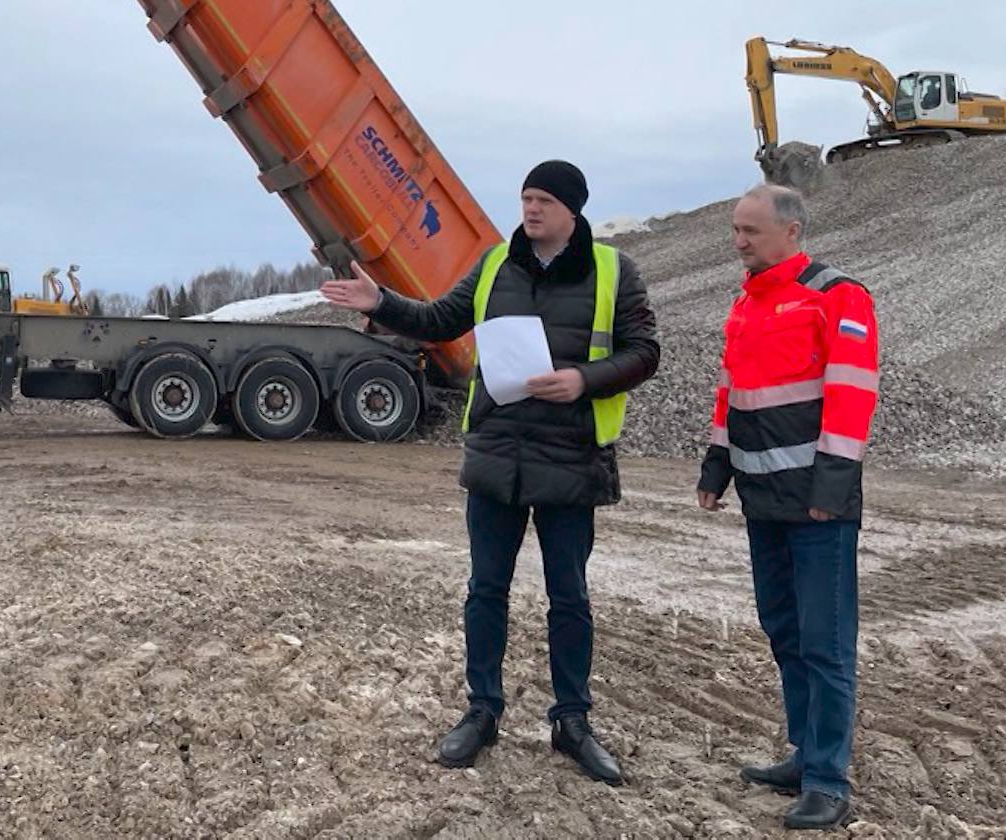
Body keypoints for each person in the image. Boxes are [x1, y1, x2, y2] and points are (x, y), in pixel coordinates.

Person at [322, 159, 660, 785]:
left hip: (570, 456)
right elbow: (442, 320)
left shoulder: (616, 270)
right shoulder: (495, 262)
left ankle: (573, 722)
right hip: (498, 453)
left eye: (544, 201)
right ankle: (482, 711)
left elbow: (645, 353)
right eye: (526, 198)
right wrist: (383, 303)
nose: (530, 210)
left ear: (573, 210)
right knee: (485, 591)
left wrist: (583, 380)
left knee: (570, 598)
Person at [696, 183, 880, 831]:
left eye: (749, 230)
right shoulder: (746, 304)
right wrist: (715, 469)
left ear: (792, 232)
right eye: (735, 229)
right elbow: (731, 393)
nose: (738, 241)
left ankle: (829, 780)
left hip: (817, 508)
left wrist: (830, 492)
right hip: (762, 501)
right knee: (785, 634)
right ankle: (805, 756)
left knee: (826, 645)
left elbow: (853, 395)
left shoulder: (838, 297)